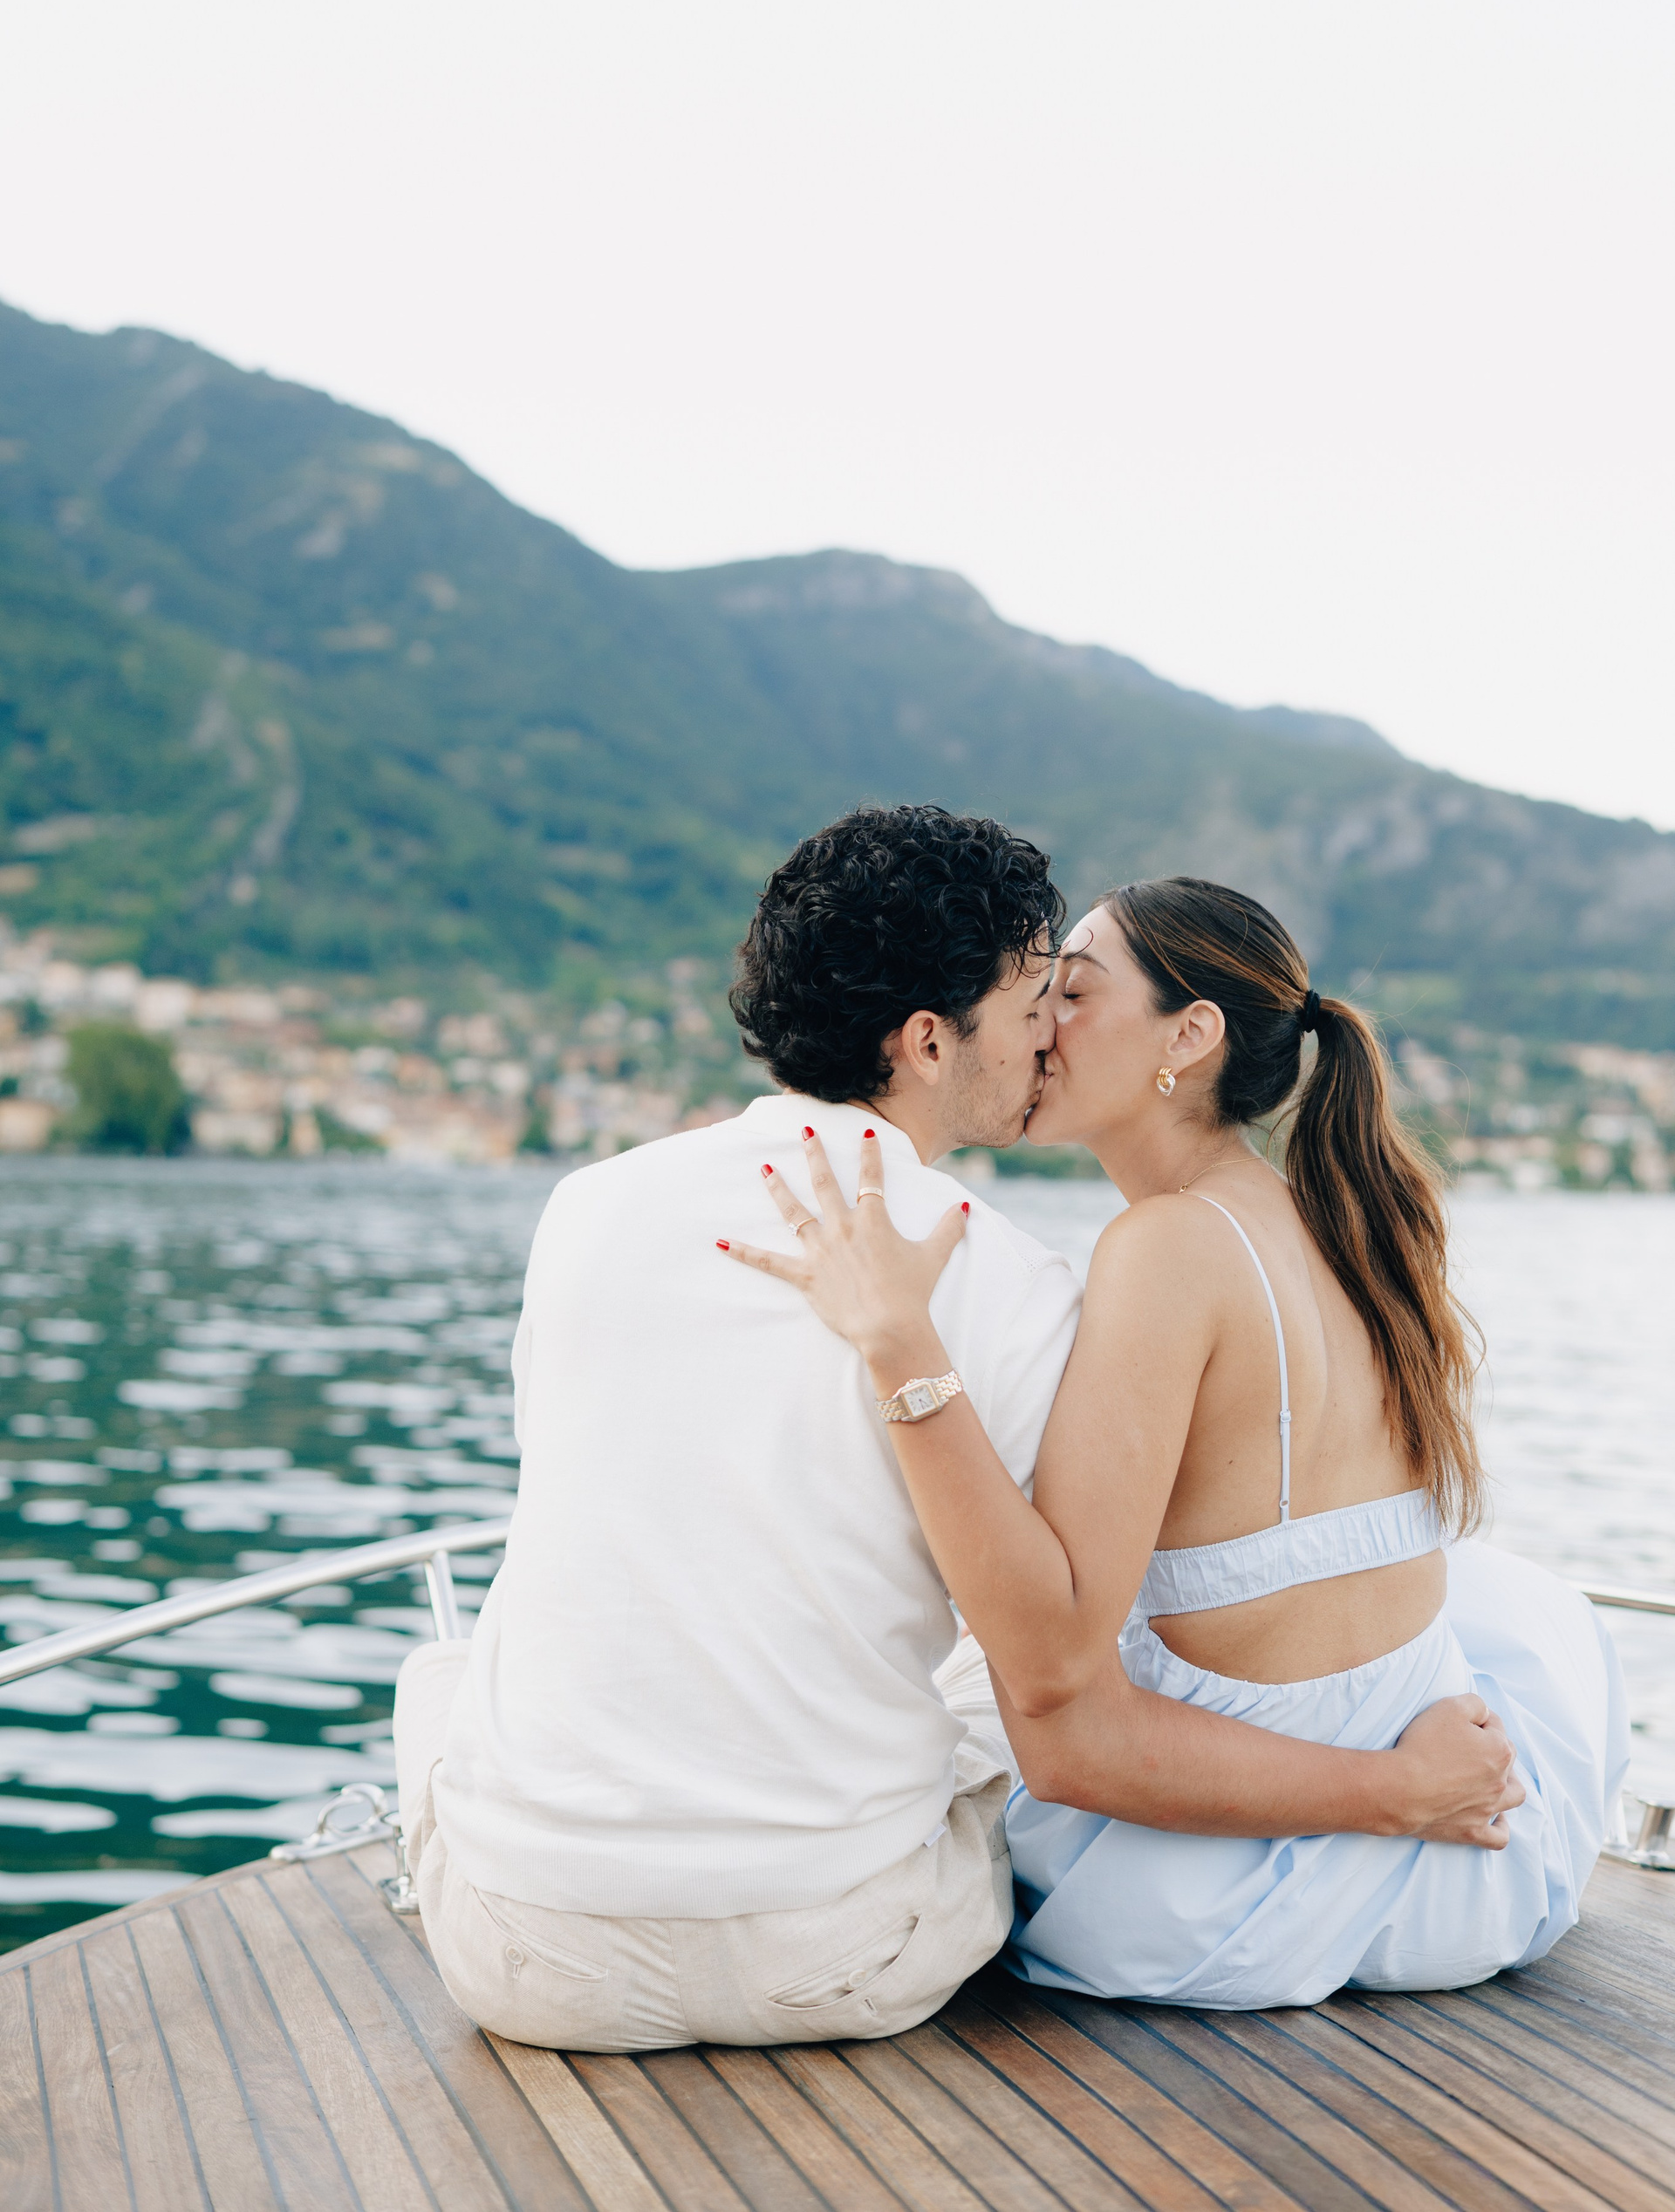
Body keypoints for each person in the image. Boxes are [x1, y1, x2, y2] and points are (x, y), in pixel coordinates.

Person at [394, 811, 1523, 2053]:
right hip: (838, 1959)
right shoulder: (1016, 1278)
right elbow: (1054, 1662)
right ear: (931, 1039)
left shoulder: (586, 1207)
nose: (1048, 1030)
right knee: (972, 1686)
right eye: (1037, 998)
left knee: (445, 1673)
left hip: (522, 1961)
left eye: (1069, 995)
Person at [731, 874, 1629, 2009]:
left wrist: (899, 1342)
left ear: (1189, 1036)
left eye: (1074, 992)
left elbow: (1067, 1735)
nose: (1040, 1025)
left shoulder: (1165, 1249)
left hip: (1234, 1897)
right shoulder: (1344, 1224)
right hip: (1473, 1878)